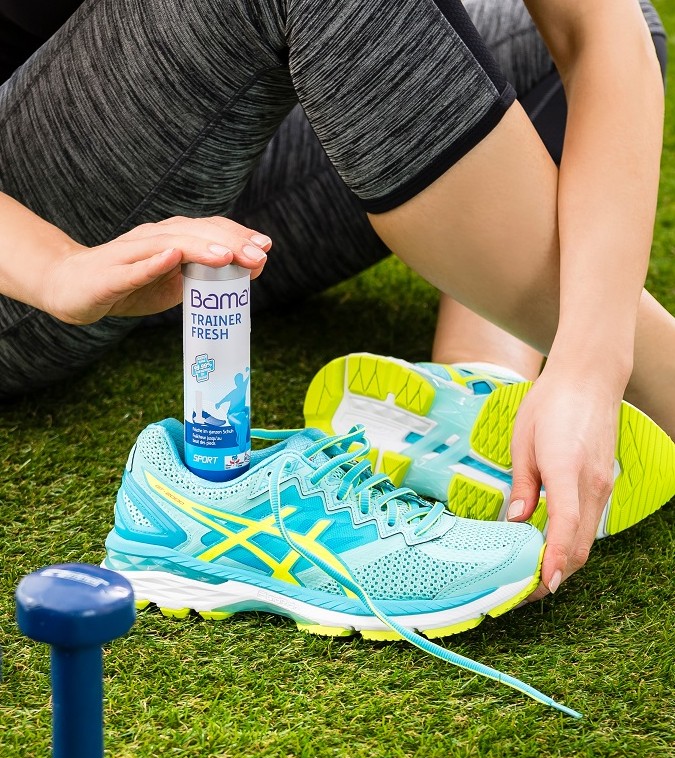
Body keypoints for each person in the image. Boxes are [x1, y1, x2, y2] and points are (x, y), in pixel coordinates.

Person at [1, 0, 674, 607]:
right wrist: (57, 268)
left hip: (193, 192)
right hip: (28, 255)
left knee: (549, 35)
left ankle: (480, 375)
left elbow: (596, 30)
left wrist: (589, 367)